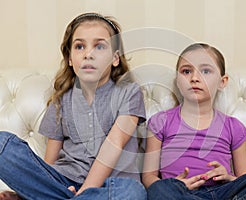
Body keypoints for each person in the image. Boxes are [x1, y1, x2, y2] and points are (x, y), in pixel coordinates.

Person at [0, 12, 146, 200]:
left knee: (133, 193)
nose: (88, 54)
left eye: (99, 46)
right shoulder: (61, 99)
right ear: (70, 59)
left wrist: (85, 190)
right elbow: (48, 163)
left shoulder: (129, 92)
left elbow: (115, 143)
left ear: (115, 58)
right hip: (64, 182)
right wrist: (42, 184)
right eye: (79, 46)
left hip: (110, 187)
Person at [142, 43, 246, 200]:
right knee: (159, 188)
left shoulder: (233, 126)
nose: (195, 78)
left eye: (205, 71)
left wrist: (228, 178)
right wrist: (175, 184)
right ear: (178, 81)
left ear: (222, 82)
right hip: (180, 193)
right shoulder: (161, 121)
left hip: (225, 193)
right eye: (186, 71)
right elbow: (149, 177)